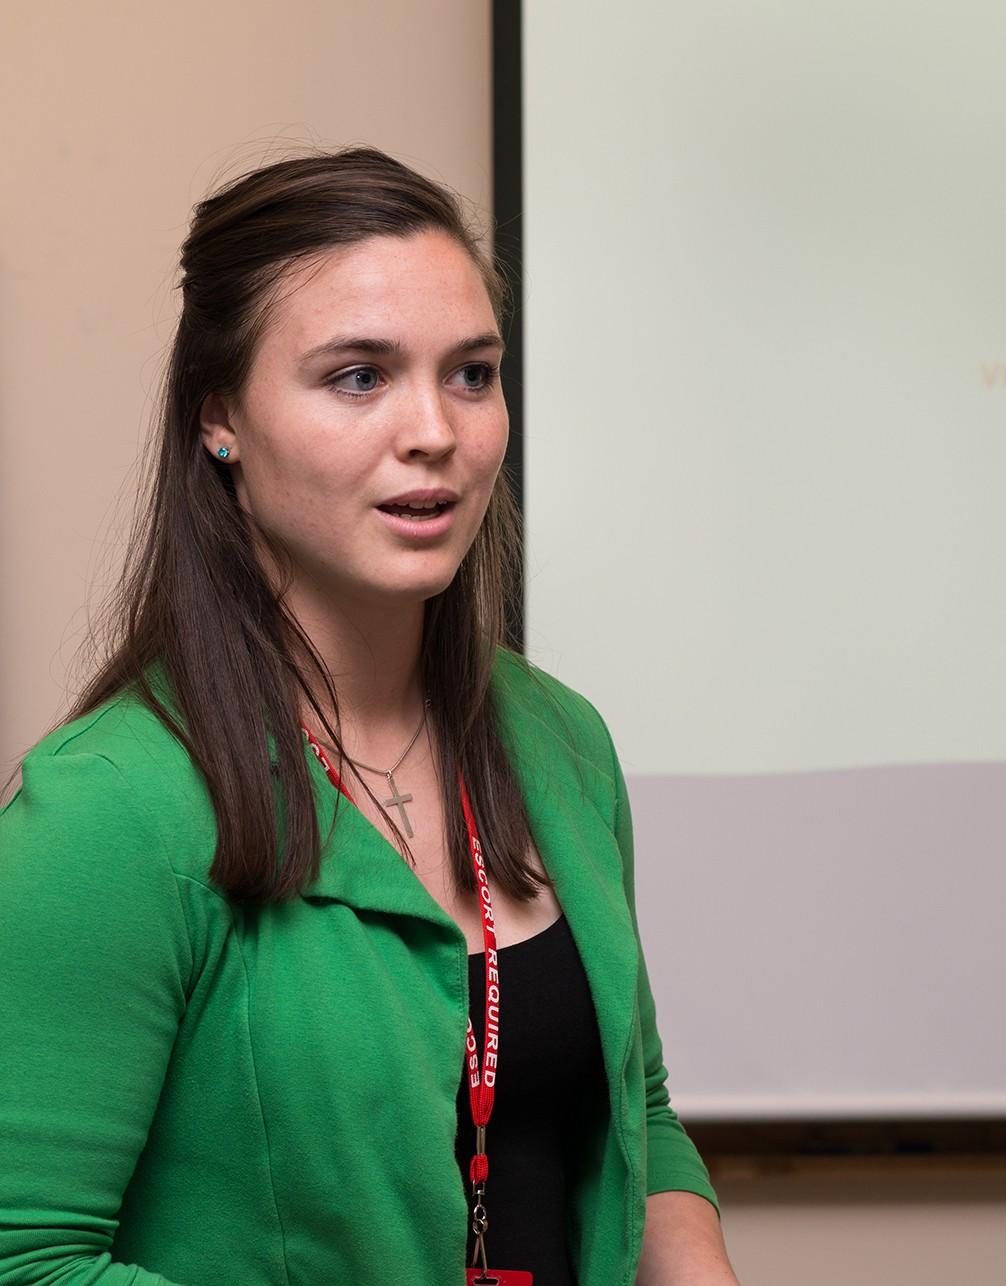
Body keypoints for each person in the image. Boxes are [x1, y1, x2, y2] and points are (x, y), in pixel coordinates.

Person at [0, 145, 739, 1285]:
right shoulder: (105, 811)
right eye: (358, 375)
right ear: (220, 419)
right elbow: (24, 1256)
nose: (435, 430)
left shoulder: (561, 739)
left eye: (471, 374)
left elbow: (636, 1111)